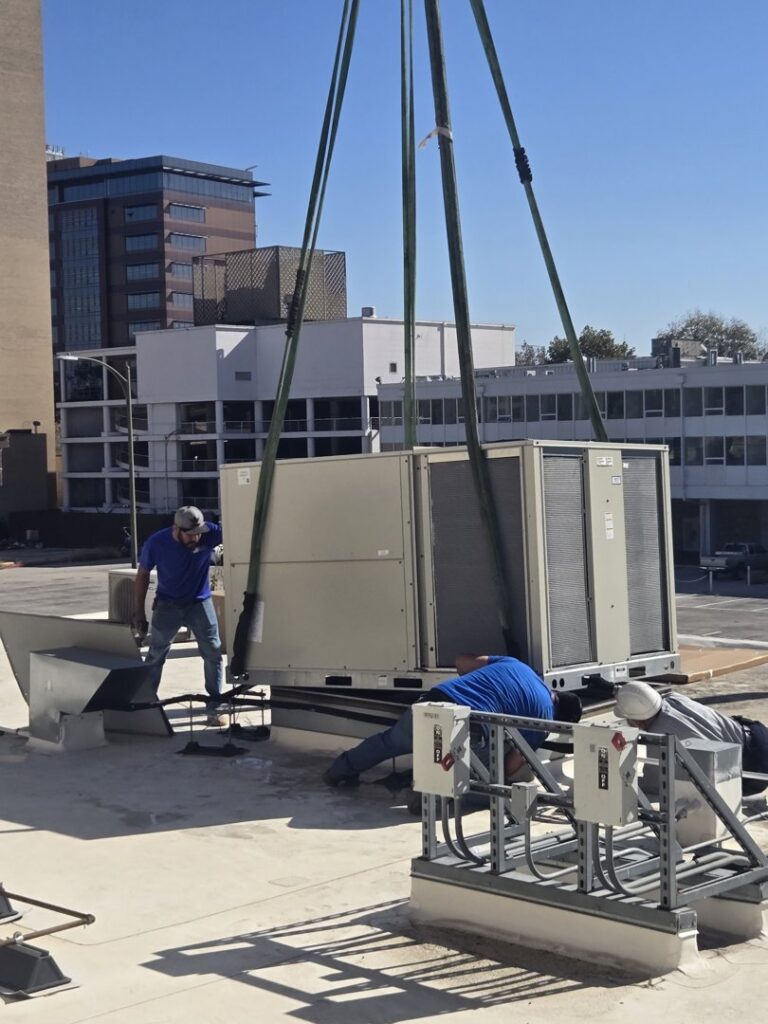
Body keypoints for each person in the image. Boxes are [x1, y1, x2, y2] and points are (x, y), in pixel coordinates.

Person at [323, 654, 583, 789]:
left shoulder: (519, 666)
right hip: (469, 725)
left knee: (389, 742)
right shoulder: (544, 718)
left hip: (434, 700)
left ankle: (339, 770)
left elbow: (462, 662)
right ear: (560, 718)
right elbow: (510, 764)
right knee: (485, 777)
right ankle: (428, 797)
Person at [132, 506, 225, 726]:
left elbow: (238, 532)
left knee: (213, 652)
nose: (196, 537)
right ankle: (148, 707)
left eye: (198, 532)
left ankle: (215, 704)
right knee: (156, 654)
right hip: (168, 605)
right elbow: (143, 574)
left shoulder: (211, 532)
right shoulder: (157, 543)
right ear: (176, 529)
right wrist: (138, 611)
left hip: (200, 602)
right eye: (190, 534)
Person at [615, 680, 768, 795]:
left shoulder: (660, 738)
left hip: (753, 767)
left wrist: (619, 782)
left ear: (636, 720)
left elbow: (655, 784)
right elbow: (648, 700)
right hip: (757, 733)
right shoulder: (673, 699)